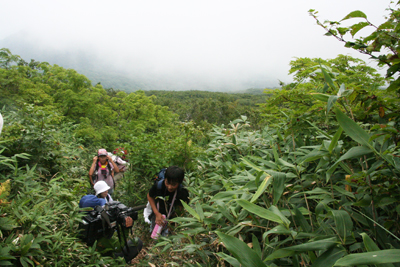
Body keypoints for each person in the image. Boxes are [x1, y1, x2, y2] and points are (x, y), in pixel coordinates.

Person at [144, 166, 189, 236]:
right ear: (165, 179)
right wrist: (156, 213)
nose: (170, 187)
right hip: (158, 213)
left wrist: (173, 221)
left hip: (171, 216)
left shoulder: (182, 191)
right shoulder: (159, 186)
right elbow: (149, 196)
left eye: (174, 184)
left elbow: (181, 207)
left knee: (169, 235)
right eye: (167, 183)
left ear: (180, 182)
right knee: (155, 234)